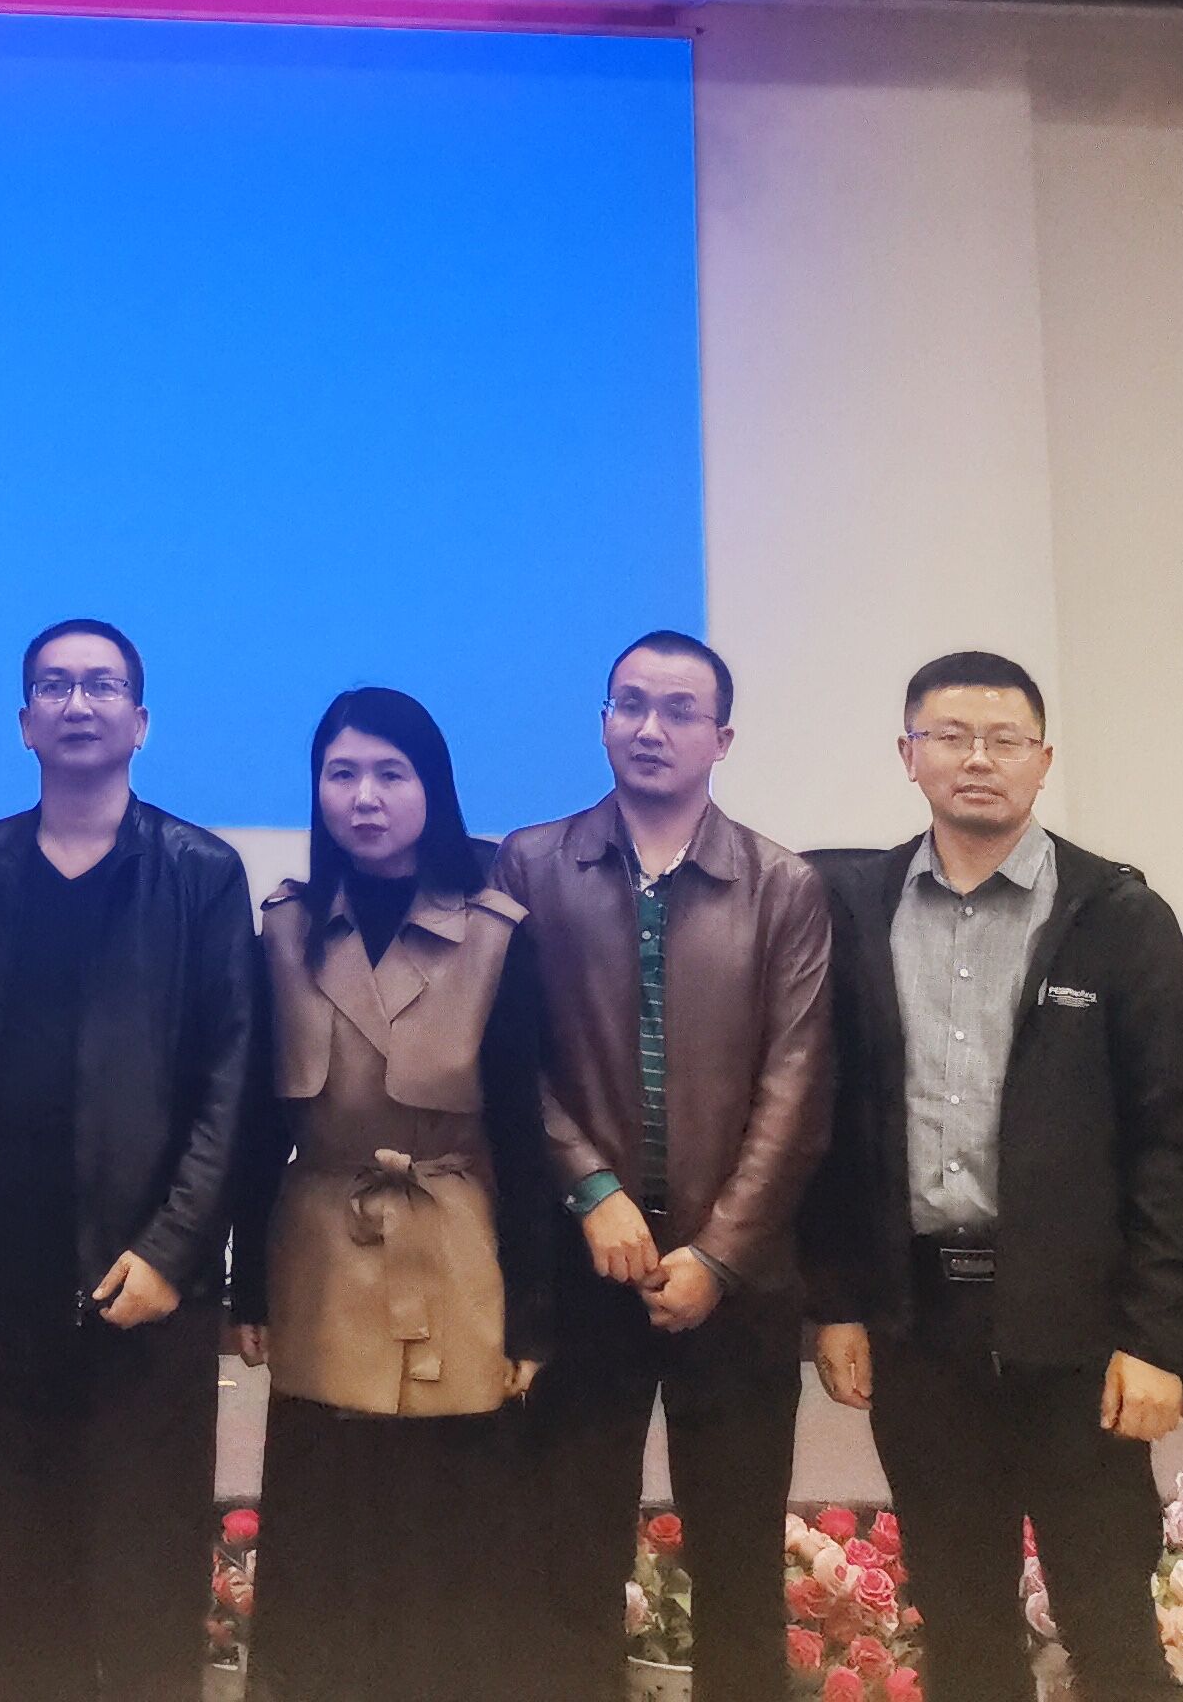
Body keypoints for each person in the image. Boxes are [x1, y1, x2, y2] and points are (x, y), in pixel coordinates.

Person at [801, 652, 1183, 1702]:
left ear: (1043, 760)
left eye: (1004, 740)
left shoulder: (1115, 914)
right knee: (960, 1616)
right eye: (950, 736)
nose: (977, 759)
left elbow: (1177, 1138)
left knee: (1107, 1615)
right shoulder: (854, 908)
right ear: (908, 756)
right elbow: (836, 1122)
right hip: (918, 1322)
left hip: (1078, 1325)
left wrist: (1157, 1338)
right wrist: (839, 1301)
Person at [495, 628, 832, 1702]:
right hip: (575, 1271)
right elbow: (505, 1060)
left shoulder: (782, 886)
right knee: (563, 1560)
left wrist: (718, 1254)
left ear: (721, 738)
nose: (650, 727)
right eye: (630, 704)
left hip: (735, 1289)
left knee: (738, 1568)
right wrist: (589, 1188)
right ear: (602, 723)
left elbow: (797, 1087)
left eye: (679, 710)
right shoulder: (530, 865)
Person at [0, 619, 254, 1702]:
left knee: (149, 1569)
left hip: (144, 1282)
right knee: (26, 1569)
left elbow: (230, 1079)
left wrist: (174, 1250)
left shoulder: (201, 872)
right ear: (24, 722)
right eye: (55, 687)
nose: (78, 704)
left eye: (102, 686)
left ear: (140, 721)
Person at [228, 689, 560, 1702]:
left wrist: (535, 1306)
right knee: (323, 1515)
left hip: (453, 1243)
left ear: (433, 788)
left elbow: (524, 1128)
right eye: (341, 774)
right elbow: (256, 1124)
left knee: (446, 1516)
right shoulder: (285, 928)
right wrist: (246, 1287)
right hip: (321, 1244)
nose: (363, 797)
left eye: (389, 774)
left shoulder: (497, 932)